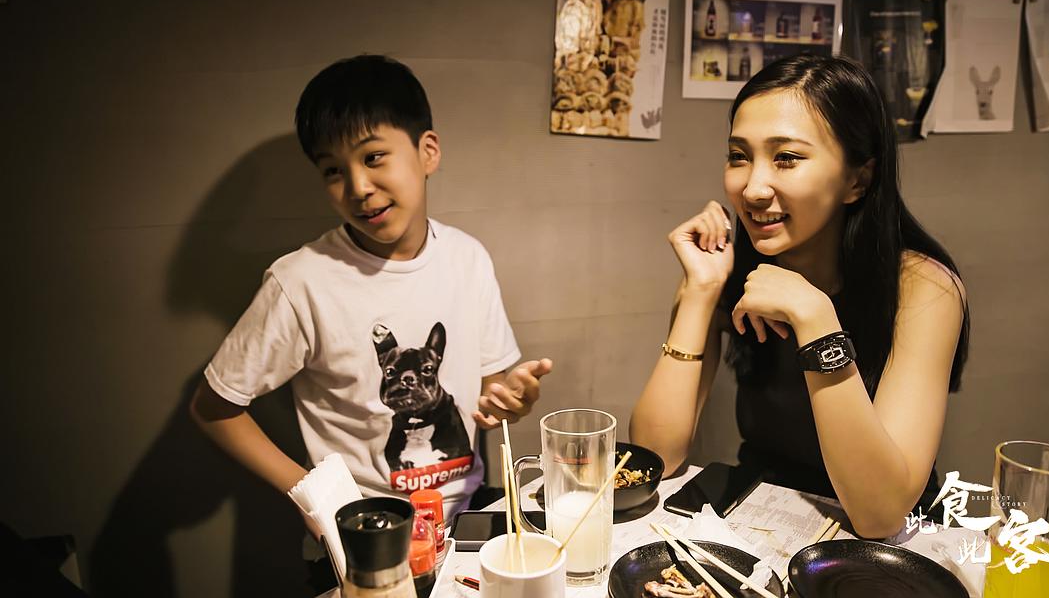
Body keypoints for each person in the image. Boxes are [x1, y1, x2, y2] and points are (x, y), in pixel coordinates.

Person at [189, 55, 553, 544]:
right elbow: (213, 406)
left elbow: (491, 392)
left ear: (428, 153)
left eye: (374, 157)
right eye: (333, 170)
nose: (358, 187)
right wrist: (314, 499)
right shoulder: (301, 281)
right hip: (365, 537)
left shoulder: (467, 257)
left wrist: (511, 399)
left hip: (468, 525)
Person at [629, 54, 969, 538]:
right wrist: (700, 291)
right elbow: (654, 457)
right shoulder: (731, 271)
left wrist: (815, 318)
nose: (752, 188)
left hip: (883, 546)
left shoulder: (925, 287)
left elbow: (880, 514)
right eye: (739, 156)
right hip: (759, 520)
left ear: (857, 180)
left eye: (786, 158)